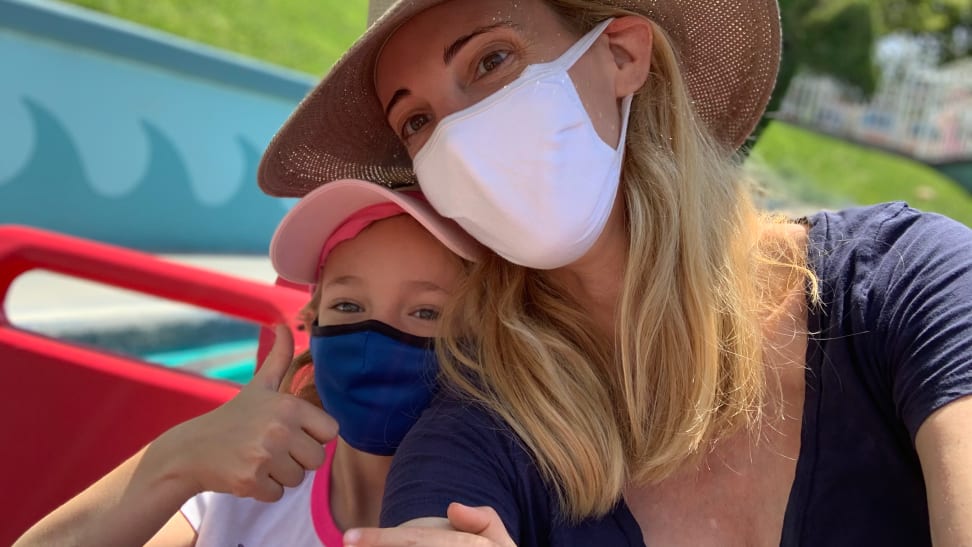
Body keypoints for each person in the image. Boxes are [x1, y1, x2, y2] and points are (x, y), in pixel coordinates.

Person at [256, 1, 972, 546]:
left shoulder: (908, 282)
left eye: (490, 61)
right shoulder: (474, 431)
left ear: (622, 55)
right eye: (416, 122)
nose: (459, 139)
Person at [13, 178, 480, 546]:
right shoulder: (244, 487)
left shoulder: (490, 520)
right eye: (348, 307)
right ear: (312, 322)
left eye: (426, 313)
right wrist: (181, 457)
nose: (372, 339)